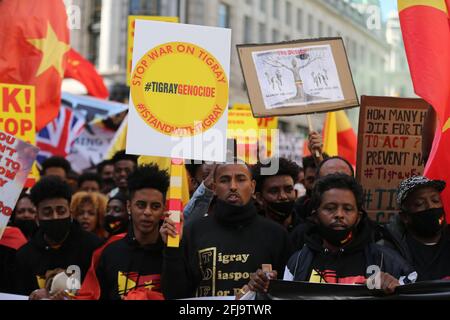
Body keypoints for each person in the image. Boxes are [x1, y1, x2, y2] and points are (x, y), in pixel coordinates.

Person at [248, 174, 415, 296]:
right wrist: (265, 289)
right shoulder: (298, 263)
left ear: (359, 217)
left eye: (348, 209)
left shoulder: (387, 261)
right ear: (315, 215)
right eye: (330, 208)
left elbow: (414, 292)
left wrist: (396, 288)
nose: (339, 215)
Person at [161, 160, 292, 299]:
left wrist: (270, 285)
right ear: (214, 187)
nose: (233, 187)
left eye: (241, 180)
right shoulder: (192, 231)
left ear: (253, 187)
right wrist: (172, 249)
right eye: (225, 180)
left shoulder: (276, 235)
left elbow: (289, 293)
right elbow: (173, 293)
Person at [77, 164, 169, 300]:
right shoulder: (109, 252)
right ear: (129, 207)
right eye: (141, 205)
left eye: (155, 206)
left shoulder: (173, 251)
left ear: (163, 209)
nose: (147, 212)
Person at [14, 176, 103, 297]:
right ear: (37, 218)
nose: (55, 217)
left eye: (61, 211)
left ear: (70, 213)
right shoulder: (24, 255)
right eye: (47, 212)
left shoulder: (94, 248)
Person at [379, 176, 450, 281]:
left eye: (435, 200)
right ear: (405, 217)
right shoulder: (387, 248)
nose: (431, 206)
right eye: (419, 204)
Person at [251, 157, 301, 232]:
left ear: (296, 193)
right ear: (260, 198)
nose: (283, 196)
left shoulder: (308, 233)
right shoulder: (251, 232)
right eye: (274, 191)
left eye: (288, 190)